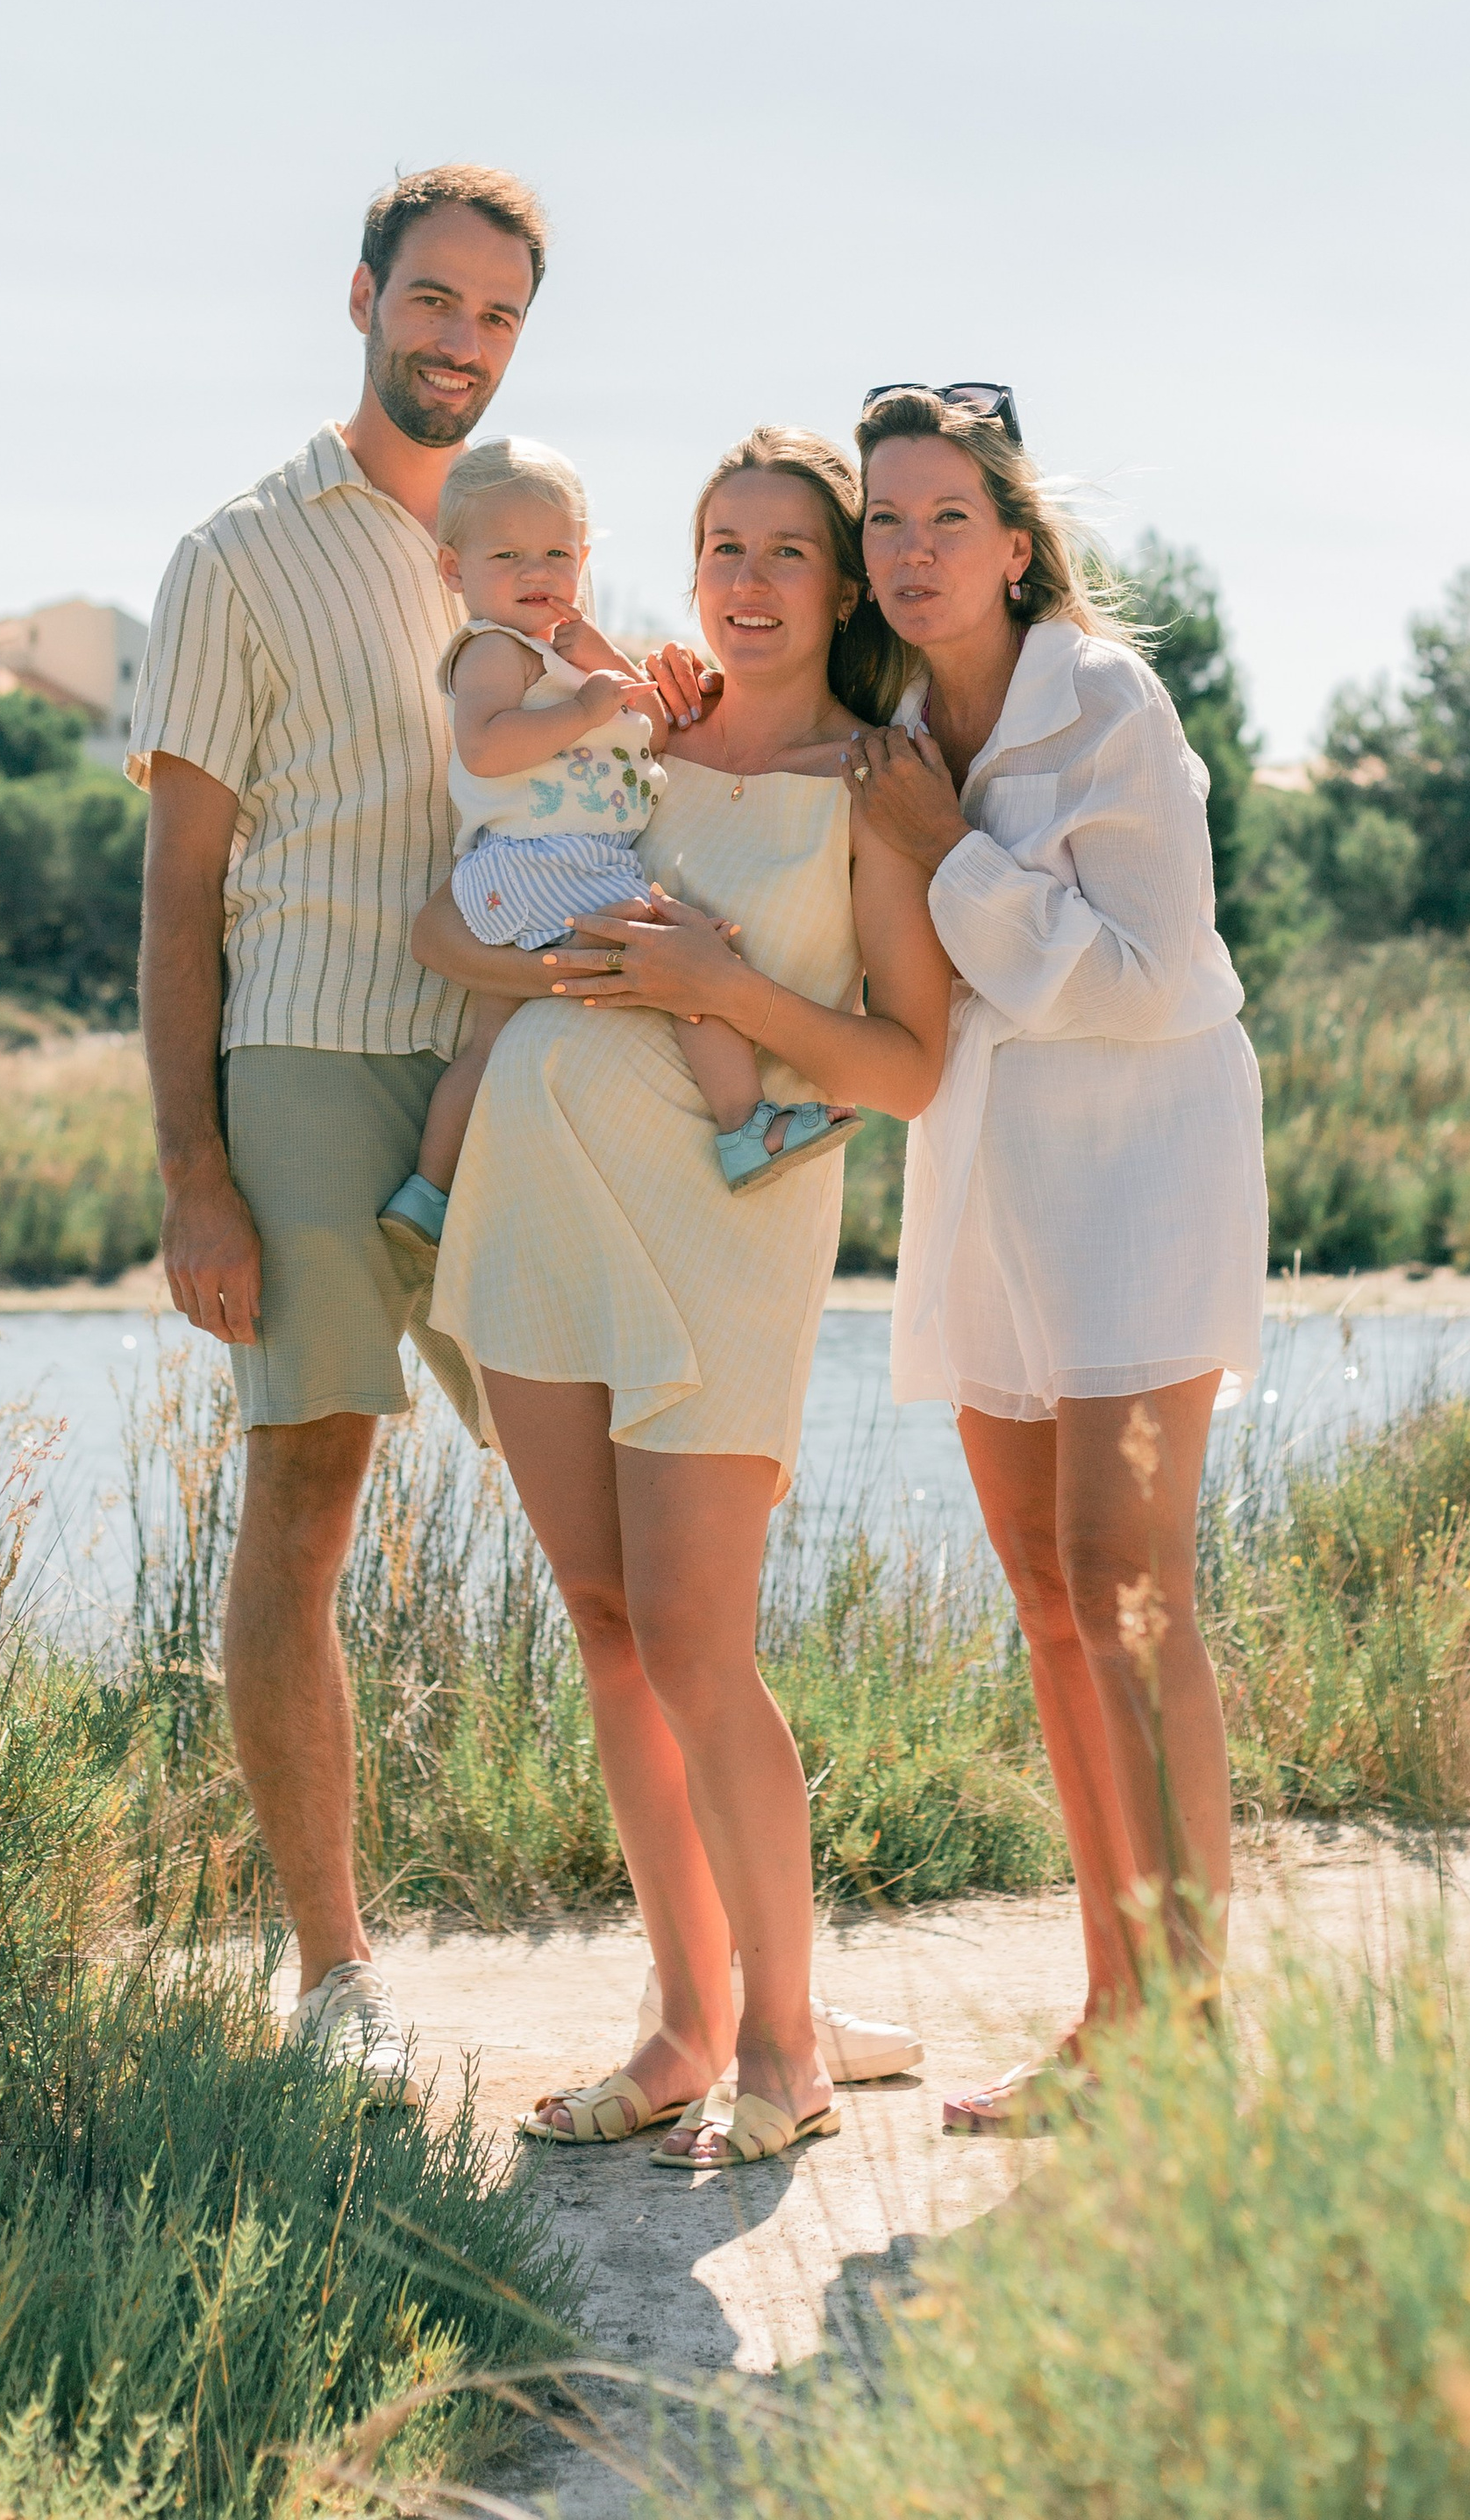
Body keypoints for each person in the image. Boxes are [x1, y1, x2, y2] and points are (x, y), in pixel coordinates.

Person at [125, 164, 713, 2101]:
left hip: (505, 1074)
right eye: (433, 301)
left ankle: (715, 1980)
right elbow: (180, 890)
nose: (458, 341)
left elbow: (621, 772)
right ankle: (331, 1977)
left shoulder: (529, 551)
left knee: (617, 1532)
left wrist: (677, 700)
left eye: (496, 317)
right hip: (300, 1073)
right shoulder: (234, 556)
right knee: (304, 1504)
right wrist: (192, 1171)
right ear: (362, 294)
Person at [413, 430, 951, 2170]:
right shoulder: (638, 720)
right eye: (719, 543)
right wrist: (568, 961)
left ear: (840, 580)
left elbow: (908, 1068)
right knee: (602, 1617)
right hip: (536, 1211)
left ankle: (783, 2052)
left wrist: (717, 981)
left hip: (725, 1229)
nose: (742, 576)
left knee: (701, 1646)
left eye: (785, 550)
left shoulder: (879, 778)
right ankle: (679, 2022)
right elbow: (454, 923)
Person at [841, 382, 1266, 2136]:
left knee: (1124, 1581)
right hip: (989, 1177)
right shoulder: (888, 721)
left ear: (1015, 546)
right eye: (881, 522)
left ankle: (1186, 2021)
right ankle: (1113, 2016)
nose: (908, 549)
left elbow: (1149, 969)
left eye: (945, 517)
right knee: (1036, 1586)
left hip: (1137, 1169)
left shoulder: (1095, 694)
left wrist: (952, 859)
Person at [378, 436, 859, 1263]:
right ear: (455, 572)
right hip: (546, 862)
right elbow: (485, 748)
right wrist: (584, 705)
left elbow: (648, 715)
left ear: (584, 559)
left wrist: (624, 674)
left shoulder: (560, 646)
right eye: (509, 556)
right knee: (683, 957)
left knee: (489, 1043)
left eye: (557, 554)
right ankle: (746, 1126)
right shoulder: (493, 649)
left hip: (536, 870)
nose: (537, 574)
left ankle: (428, 1191)